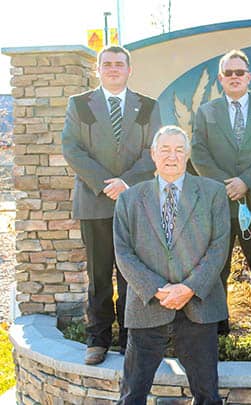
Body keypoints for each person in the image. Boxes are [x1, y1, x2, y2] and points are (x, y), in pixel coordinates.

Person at [114, 126, 229, 404]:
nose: (171, 156)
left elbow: (219, 246)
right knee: (132, 393)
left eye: (179, 149)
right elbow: (123, 252)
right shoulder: (130, 198)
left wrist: (188, 288)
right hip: (148, 304)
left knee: (207, 395)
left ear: (188, 155)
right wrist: (159, 289)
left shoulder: (213, 192)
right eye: (164, 149)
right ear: (153, 154)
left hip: (199, 305)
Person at [61, 45, 162, 365]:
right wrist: (107, 184)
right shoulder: (80, 105)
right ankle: (98, 339)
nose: (113, 68)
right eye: (107, 64)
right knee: (100, 274)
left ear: (130, 70)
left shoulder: (147, 106)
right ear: (98, 69)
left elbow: (154, 150)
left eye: (120, 64)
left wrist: (126, 183)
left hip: (135, 203)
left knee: (132, 274)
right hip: (95, 202)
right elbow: (72, 149)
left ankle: (130, 338)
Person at [191, 49, 251, 335]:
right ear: (220, 79)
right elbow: (199, 154)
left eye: (239, 72)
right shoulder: (206, 113)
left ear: (249, 77)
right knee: (218, 266)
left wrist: (246, 181)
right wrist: (226, 184)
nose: (234, 77)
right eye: (228, 73)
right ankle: (218, 328)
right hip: (218, 202)